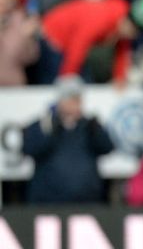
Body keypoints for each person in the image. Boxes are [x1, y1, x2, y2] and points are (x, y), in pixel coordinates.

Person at [22, 75, 114, 203]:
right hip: (48, 204)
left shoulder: (89, 126)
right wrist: (49, 131)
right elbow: (29, 149)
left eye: (78, 99)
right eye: (71, 99)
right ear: (60, 101)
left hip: (87, 203)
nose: (76, 104)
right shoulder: (45, 124)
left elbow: (108, 147)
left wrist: (96, 131)